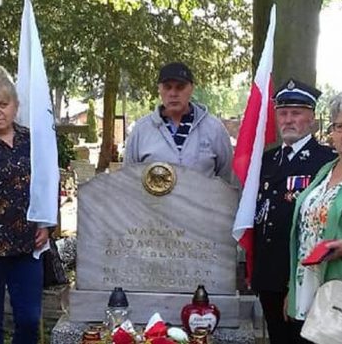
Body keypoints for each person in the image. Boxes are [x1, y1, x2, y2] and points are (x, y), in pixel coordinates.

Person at [251, 79, 337, 344]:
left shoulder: (326, 160)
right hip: (268, 273)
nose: (288, 120)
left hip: (302, 276)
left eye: (296, 113)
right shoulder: (267, 159)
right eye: (283, 112)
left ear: (312, 119)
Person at [0, 66, 50, 344]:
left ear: (15, 106)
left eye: (3, 104)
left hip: (27, 244)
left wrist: (46, 224)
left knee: (29, 320)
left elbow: (47, 183)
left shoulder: (33, 141)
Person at [287, 92, 342, 343]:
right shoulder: (325, 170)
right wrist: (293, 289)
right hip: (308, 288)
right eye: (340, 126)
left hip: (337, 294)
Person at [123, 62, 233, 183]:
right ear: (159, 89)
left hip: (202, 201)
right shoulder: (141, 130)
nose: (173, 93)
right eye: (167, 87)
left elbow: (227, 179)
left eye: (180, 87)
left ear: (191, 88)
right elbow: (128, 180)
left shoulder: (214, 129)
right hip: (153, 202)